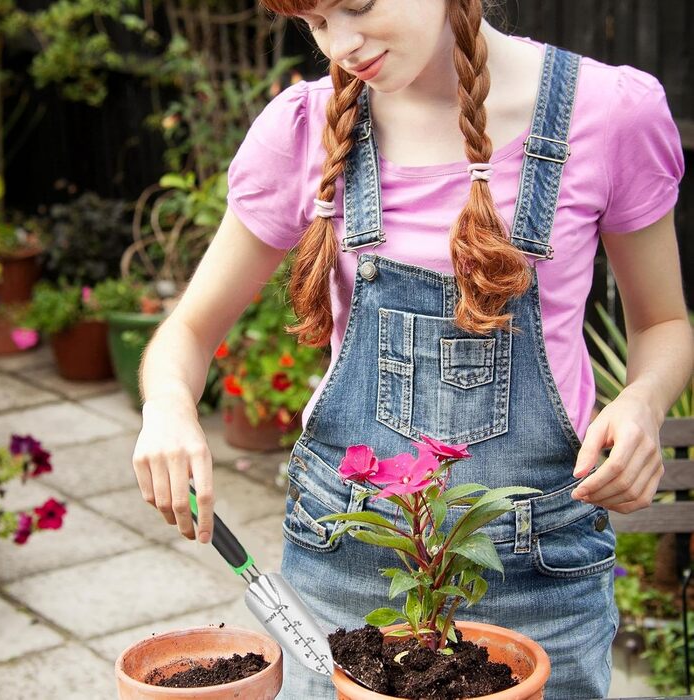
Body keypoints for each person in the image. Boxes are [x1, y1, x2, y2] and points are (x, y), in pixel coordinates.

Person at [131, 1, 693, 698]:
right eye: (314, 22)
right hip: (345, 577)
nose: (341, 44)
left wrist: (642, 400)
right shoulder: (304, 130)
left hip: (542, 575)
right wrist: (167, 407)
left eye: (357, 5)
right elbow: (186, 332)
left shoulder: (608, 115)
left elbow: (664, 322)